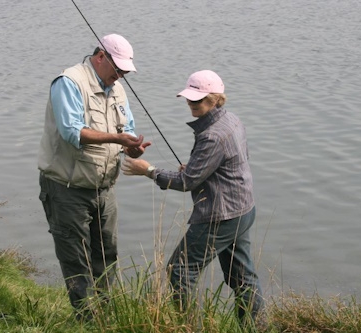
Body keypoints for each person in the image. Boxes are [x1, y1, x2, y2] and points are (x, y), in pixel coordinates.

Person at [121, 70, 264, 323]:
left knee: (180, 270)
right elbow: (230, 164)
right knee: (242, 276)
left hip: (220, 215)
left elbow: (186, 183)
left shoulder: (212, 135)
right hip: (243, 209)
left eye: (197, 100)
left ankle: (190, 328)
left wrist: (149, 171)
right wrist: (200, 168)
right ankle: (255, 327)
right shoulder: (232, 121)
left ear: (215, 99)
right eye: (188, 98)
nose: (190, 104)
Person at [37, 34, 151, 320]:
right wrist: (116, 138)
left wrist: (133, 149)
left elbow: (128, 132)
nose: (121, 75)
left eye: (125, 70)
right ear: (101, 56)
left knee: (107, 257)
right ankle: (86, 321)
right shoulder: (69, 82)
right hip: (67, 189)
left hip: (104, 190)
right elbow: (71, 132)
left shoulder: (118, 89)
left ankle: (108, 317)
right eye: (118, 69)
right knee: (76, 261)